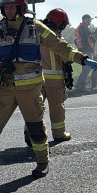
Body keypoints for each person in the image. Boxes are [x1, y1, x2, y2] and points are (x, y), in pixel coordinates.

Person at [0, 0, 97, 179]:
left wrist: (82, 58)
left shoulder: (35, 27)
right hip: (4, 87)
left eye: (12, 7)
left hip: (30, 89)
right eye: (5, 7)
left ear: (21, 8)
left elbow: (58, 45)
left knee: (35, 128)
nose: (8, 11)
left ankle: (42, 163)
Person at [24, 8, 73, 145]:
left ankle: (30, 133)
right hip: (55, 81)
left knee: (35, 108)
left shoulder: (36, 36)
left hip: (36, 79)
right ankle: (59, 134)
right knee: (57, 108)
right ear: (60, 23)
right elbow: (67, 58)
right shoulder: (57, 39)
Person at [74, 15, 96, 91]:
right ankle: (80, 85)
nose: (90, 21)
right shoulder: (83, 28)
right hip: (86, 50)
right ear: (85, 19)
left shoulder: (81, 27)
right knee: (87, 68)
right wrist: (92, 50)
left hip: (83, 50)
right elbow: (85, 41)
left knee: (86, 68)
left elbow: (76, 40)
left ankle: (80, 85)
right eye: (89, 20)